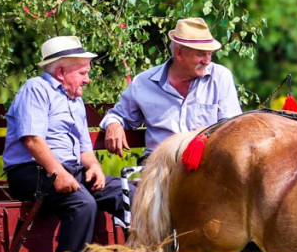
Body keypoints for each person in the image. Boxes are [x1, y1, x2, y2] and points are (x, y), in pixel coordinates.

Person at [3, 35, 127, 252]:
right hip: (31, 170)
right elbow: (33, 140)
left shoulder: (75, 100)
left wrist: (94, 166)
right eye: (82, 73)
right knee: (82, 204)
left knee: (128, 194)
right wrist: (58, 173)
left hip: (68, 169)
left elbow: (84, 148)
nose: (87, 79)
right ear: (61, 72)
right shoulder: (35, 89)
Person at [100, 17, 242, 156]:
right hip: (160, 165)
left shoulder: (220, 77)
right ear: (178, 53)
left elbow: (233, 127)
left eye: (210, 54)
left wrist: (206, 132)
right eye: (200, 54)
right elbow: (118, 116)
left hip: (205, 163)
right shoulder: (144, 83)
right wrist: (114, 125)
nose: (207, 61)